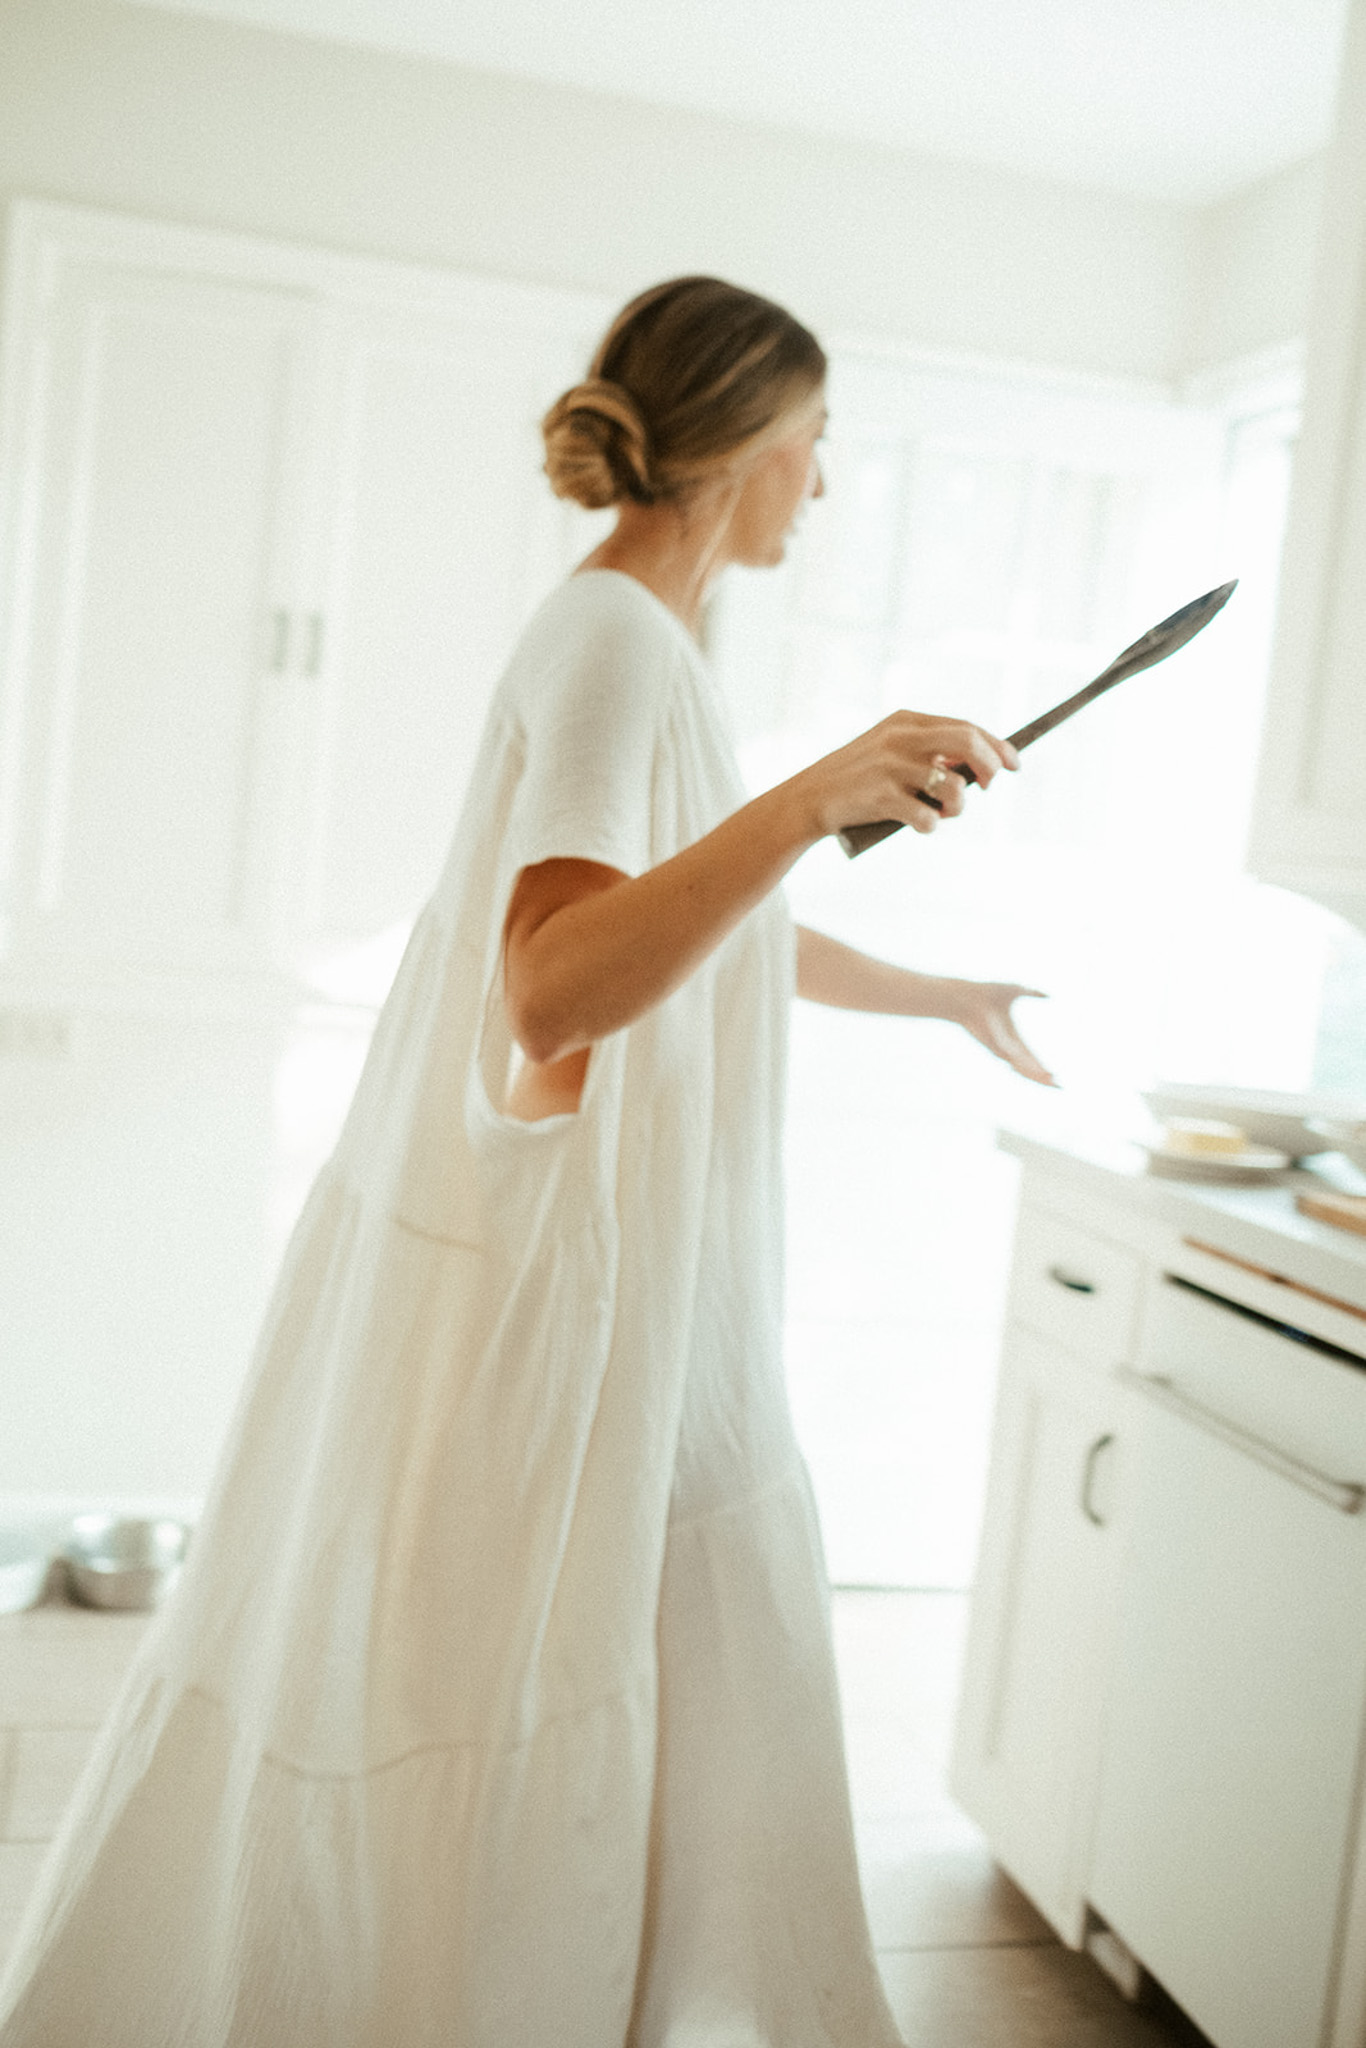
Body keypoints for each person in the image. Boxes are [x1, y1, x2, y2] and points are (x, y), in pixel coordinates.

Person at [0, 276, 1050, 2048]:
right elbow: (555, 986)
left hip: (652, 1265)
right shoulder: (616, 644)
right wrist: (805, 800)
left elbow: (673, 920)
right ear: (738, 446)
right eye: (814, 443)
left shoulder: (644, 643)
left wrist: (932, 989)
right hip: (601, 1265)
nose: (827, 482)